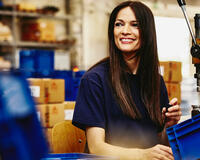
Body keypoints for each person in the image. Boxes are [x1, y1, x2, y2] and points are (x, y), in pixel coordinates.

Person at [72, 1, 182, 160]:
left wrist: (169, 125)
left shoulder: (155, 81)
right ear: (112, 31)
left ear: (147, 32)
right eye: (119, 24)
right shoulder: (94, 80)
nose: (125, 31)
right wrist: (143, 155)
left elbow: (158, 144)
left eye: (134, 25)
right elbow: (96, 147)